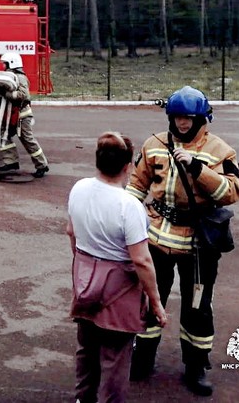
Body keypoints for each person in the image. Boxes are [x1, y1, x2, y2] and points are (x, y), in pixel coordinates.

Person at [127, 86, 239, 396]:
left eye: (188, 119)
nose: (181, 124)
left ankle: (195, 365)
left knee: (198, 306)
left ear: (202, 119)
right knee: (150, 299)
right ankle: (143, 357)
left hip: (198, 245)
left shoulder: (221, 151)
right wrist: (123, 222)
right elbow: (136, 187)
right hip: (157, 238)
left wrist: (197, 168)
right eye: (176, 118)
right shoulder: (155, 145)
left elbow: (231, 192)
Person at [67, 131, 167, 403]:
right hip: (119, 292)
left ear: (98, 162)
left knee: (86, 349)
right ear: (128, 167)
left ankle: (82, 399)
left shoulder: (79, 188)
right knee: (115, 358)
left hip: (86, 282)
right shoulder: (129, 206)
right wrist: (156, 303)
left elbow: (71, 233)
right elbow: (141, 260)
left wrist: (84, 270)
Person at [0, 52, 50, 178]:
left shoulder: (20, 77)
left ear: (12, 63)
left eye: (5, 63)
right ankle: (11, 162)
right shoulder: (11, 77)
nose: (3, 66)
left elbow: (22, 95)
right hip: (12, 114)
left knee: (27, 139)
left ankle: (42, 165)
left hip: (22, 115)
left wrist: (5, 94)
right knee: (3, 134)